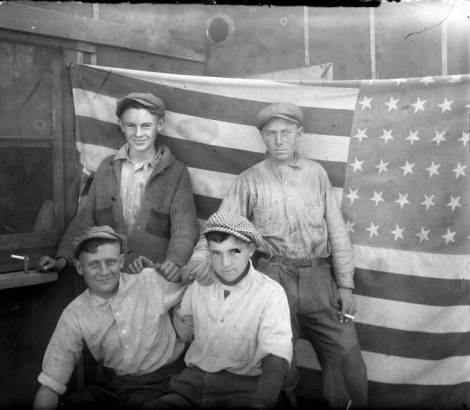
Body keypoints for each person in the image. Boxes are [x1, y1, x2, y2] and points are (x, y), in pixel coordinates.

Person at [182, 103, 368, 409]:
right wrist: (200, 259)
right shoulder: (249, 179)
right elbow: (220, 225)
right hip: (273, 276)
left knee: (347, 358)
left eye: (286, 132)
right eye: (271, 133)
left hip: (319, 280)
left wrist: (345, 284)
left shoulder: (316, 174)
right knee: (278, 363)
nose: (279, 140)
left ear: (299, 134)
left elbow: (337, 232)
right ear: (262, 137)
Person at [37, 92, 199, 279]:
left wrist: (175, 262)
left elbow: (185, 229)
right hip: (111, 280)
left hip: (154, 280)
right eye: (131, 125)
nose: (138, 134)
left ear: (159, 125)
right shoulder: (107, 167)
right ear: (121, 125)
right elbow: (85, 220)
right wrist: (62, 259)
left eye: (146, 126)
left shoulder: (176, 172)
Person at [143, 211, 293, 410]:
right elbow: (182, 334)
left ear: (251, 249)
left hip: (242, 392)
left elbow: (276, 355)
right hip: (191, 387)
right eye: (216, 253)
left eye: (235, 251)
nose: (225, 264)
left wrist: (262, 403)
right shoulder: (199, 283)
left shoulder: (270, 294)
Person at [33, 225, 187, 410]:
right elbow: (51, 383)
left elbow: (192, 293)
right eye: (93, 264)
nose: (104, 272)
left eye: (111, 262)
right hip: (117, 386)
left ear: (121, 261)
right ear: (79, 267)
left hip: (164, 382)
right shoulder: (75, 314)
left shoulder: (148, 281)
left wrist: (175, 275)